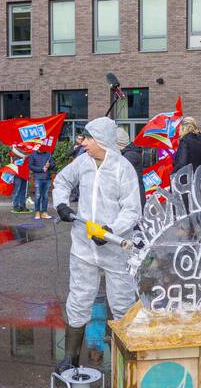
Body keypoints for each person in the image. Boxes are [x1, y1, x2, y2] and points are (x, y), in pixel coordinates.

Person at [52, 117, 141, 372]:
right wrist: (61, 203)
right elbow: (62, 180)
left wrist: (112, 230)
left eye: (89, 138)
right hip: (83, 246)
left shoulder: (123, 168)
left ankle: (126, 363)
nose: (84, 143)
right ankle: (70, 357)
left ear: (101, 140)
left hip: (113, 248)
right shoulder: (83, 162)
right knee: (79, 298)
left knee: (122, 303)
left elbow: (132, 209)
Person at [118, 127, 154, 200]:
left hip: (135, 196)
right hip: (134, 193)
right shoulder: (129, 152)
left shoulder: (130, 155)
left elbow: (118, 169)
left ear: (117, 143)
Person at [28, 147, 55, 220]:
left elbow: (53, 165)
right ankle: (37, 212)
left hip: (47, 178)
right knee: (38, 195)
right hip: (38, 178)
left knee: (45, 196)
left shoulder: (48, 154)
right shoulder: (33, 154)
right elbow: (30, 166)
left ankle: (44, 212)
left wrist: (49, 166)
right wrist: (41, 169)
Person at [9, 145, 30, 213]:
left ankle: (22, 205)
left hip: (25, 172)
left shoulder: (28, 148)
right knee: (17, 190)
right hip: (17, 172)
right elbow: (22, 155)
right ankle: (15, 205)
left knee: (23, 191)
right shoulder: (14, 147)